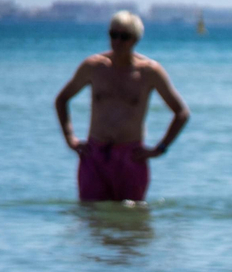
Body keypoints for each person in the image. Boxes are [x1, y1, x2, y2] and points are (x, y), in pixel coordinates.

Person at [54, 11, 190, 203]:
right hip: (95, 157)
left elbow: (181, 113)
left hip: (131, 158)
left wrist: (159, 149)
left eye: (124, 36)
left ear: (135, 39)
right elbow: (62, 99)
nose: (117, 41)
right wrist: (70, 139)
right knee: (92, 221)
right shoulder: (93, 67)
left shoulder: (149, 72)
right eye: (113, 35)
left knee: (131, 221)